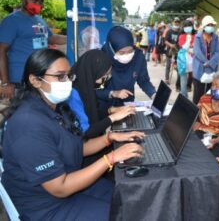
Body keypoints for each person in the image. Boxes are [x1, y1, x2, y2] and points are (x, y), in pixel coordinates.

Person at [1, 49, 144, 220]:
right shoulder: (28, 125)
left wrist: (109, 138)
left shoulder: (56, 108)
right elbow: (60, 187)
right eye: (60, 76)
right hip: (46, 205)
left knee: (127, 198)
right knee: (119, 215)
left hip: (68, 180)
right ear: (35, 80)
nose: (67, 82)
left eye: (69, 76)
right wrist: (111, 158)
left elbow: (77, 147)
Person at [0, 0, 66, 100]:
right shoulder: (12, 21)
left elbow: (51, 38)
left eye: (40, 1)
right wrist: (5, 83)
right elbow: (1, 50)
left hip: (39, 78)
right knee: (23, 115)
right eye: (34, 0)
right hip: (19, 81)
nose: (38, 4)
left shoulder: (39, 20)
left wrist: (72, 38)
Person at [68, 49, 137, 139]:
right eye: (104, 76)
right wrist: (113, 117)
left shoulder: (86, 86)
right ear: (93, 71)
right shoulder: (73, 94)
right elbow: (86, 132)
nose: (104, 80)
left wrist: (111, 111)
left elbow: (93, 114)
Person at [98, 26, 156, 109]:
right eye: (122, 53)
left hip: (127, 104)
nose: (127, 55)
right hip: (105, 106)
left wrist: (153, 94)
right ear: (111, 49)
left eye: (130, 51)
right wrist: (113, 93)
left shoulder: (138, 57)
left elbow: (144, 80)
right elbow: (93, 89)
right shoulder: (101, 58)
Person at [192, 15, 219, 104]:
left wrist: (210, 63)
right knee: (198, 93)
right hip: (199, 67)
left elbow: (218, 52)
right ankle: (196, 112)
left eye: (212, 25)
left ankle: (206, 112)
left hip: (211, 68)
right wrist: (205, 62)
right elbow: (197, 52)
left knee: (209, 92)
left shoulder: (215, 37)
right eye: (209, 25)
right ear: (204, 26)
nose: (211, 27)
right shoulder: (198, 37)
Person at [177, 20, 195, 97]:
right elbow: (183, 47)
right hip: (183, 60)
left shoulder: (195, 36)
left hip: (194, 60)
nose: (188, 28)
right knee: (183, 80)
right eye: (186, 26)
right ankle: (184, 97)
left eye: (189, 26)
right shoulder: (181, 36)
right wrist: (190, 46)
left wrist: (191, 48)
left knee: (195, 80)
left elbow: (197, 46)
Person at [164, 17, 181, 91]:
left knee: (177, 67)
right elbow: (165, 41)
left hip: (177, 51)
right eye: (175, 22)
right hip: (169, 50)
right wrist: (170, 45)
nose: (176, 23)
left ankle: (178, 82)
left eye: (178, 22)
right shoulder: (169, 31)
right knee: (168, 65)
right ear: (173, 22)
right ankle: (167, 79)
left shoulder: (180, 32)